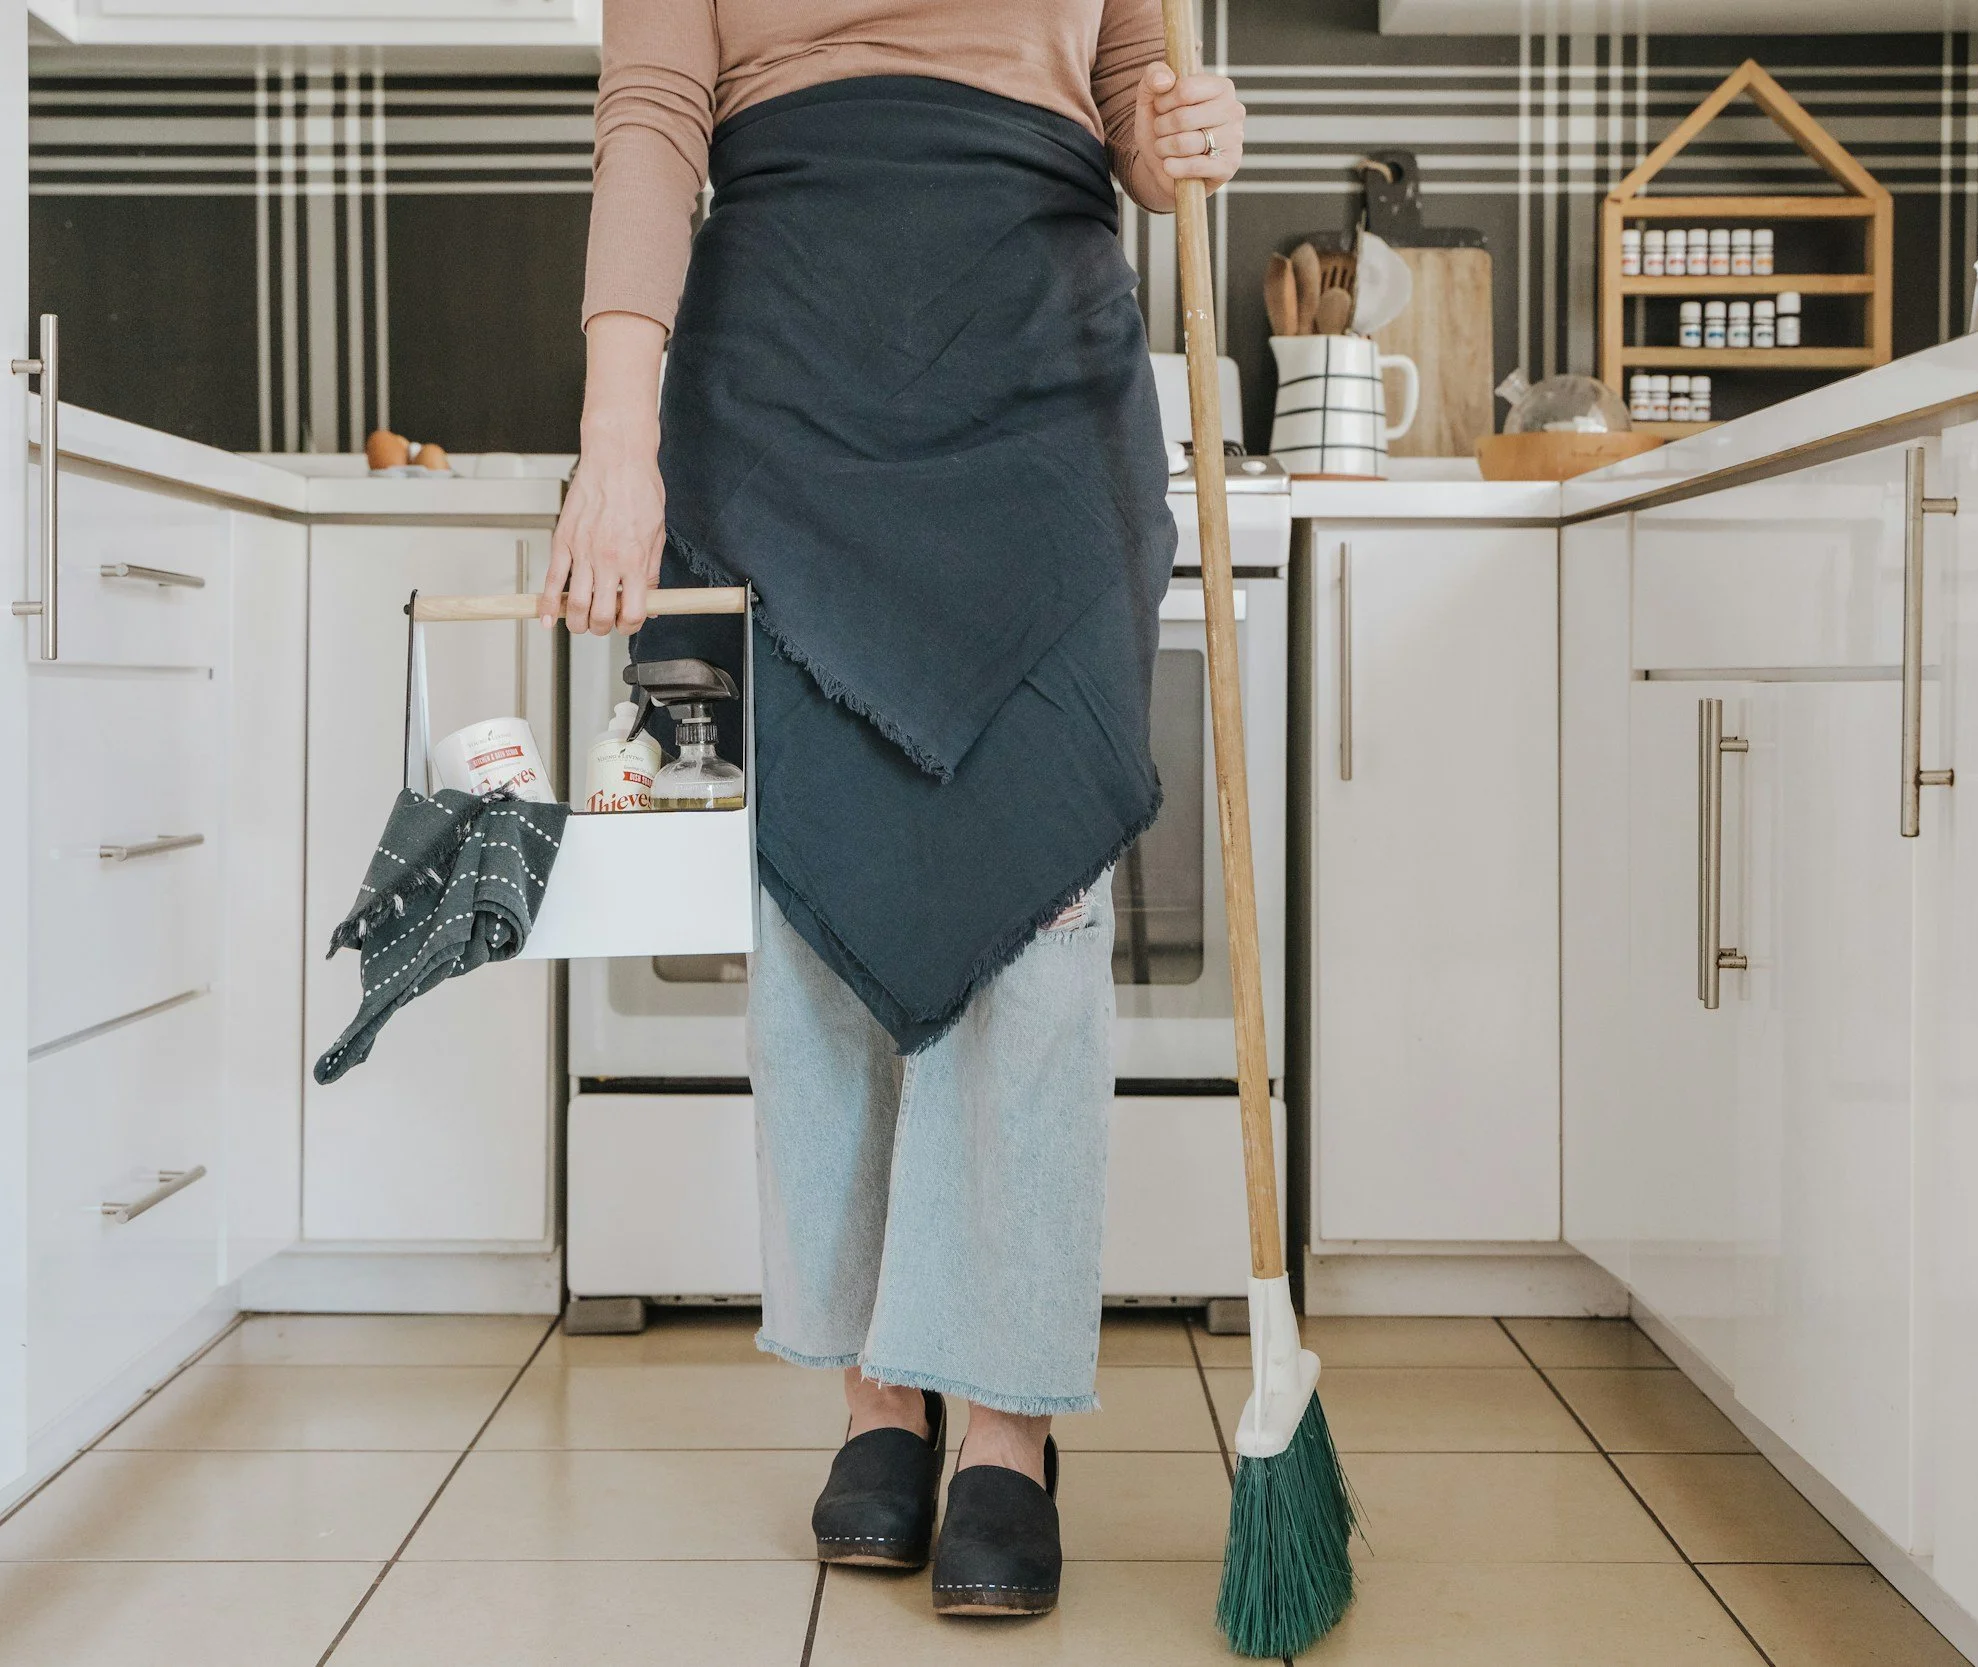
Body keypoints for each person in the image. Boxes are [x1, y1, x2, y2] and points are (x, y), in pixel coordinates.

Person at [550, 0, 1244, 1619]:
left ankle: (1004, 1414)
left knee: (1037, 895)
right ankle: (878, 1383)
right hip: (782, 360)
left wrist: (1170, 138)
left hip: (1039, 361)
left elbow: (1134, 84)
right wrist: (615, 439)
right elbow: (653, 112)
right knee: (818, 892)